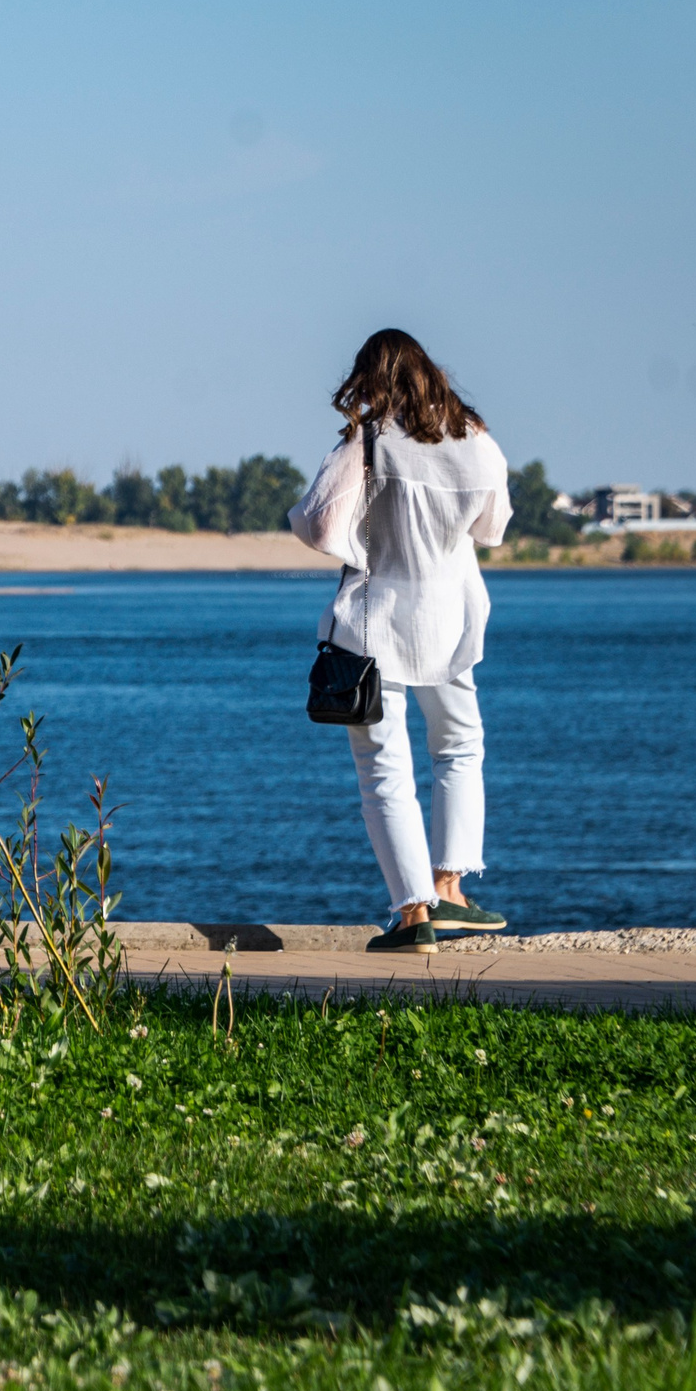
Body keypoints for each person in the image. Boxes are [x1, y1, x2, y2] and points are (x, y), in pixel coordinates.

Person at [288, 328, 512, 955]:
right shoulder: (474, 439)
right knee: (460, 747)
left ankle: (414, 915)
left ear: (370, 379)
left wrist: (363, 533)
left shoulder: (367, 442)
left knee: (384, 771)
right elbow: (492, 528)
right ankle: (451, 889)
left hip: (374, 624)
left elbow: (317, 524)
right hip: (451, 619)